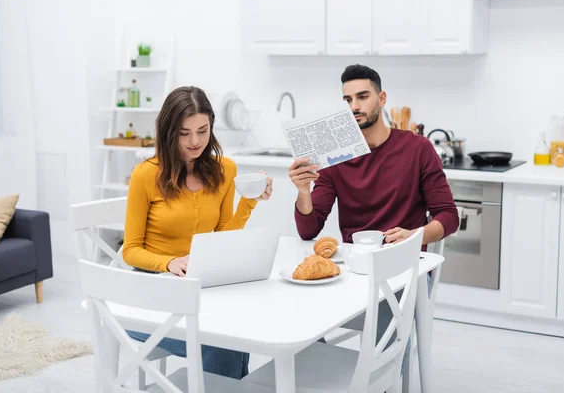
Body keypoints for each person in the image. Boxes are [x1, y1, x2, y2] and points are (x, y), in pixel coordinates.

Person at [289, 64, 459, 370]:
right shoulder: (336, 157)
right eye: (347, 100)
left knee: (384, 352)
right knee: (299, 315)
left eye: (362, 96)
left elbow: (449, 216)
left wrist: (415, 234)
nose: (354, 106)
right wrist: (303, 191)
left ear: (381, 98)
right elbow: (308, 229)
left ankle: (384, 381)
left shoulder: (417, 149)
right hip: (353, 272)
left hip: (406, 273)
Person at [122, 86, 273, 379]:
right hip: (150, 296)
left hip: (200, 285)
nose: (195, 141)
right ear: (168, 132)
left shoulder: (225, 170)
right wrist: (169, 263)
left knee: (242, 323)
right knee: (221, 339)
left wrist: (250, 201)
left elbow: (222, 237)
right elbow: (130, 250)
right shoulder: (145, 175)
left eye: (203, 131)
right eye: (184, 133)